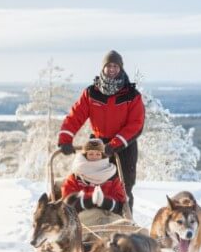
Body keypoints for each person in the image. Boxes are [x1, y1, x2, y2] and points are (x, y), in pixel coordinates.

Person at [57, 50, 144, 210]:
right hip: (97, 145)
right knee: (90, 180)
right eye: (108, 66)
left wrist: (115, 144)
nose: (111, 69)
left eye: (115, 66)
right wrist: (65, 139)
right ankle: (90, 219)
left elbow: (136, 124)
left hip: (124, 146)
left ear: (121, 69)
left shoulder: (132, 95)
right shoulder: (92, 93)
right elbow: (76, 116)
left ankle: (123, 221)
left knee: (123, 188)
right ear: (103, 68)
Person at [61, 139, 126, 214]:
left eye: (98, 154)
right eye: (91, 154)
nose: (94, 157)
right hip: (82, 218)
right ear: (85, 155)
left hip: (108, 216)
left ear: (102, 156)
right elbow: (68, 203)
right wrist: (90, 201)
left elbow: (120, 205)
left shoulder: (111, 177)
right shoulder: (75, 177)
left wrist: (104, 202)